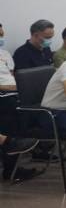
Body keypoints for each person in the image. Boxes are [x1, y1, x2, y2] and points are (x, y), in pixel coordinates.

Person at [0, 22, 40, 182]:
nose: (1, 38)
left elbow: (11, 75)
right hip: (5, 94)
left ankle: (14, 153)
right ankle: (11, 164)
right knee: (11, 109)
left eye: (2, 35)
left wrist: (19, 87)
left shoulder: (5, 54)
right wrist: (9, 88)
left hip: (13, 92)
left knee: (18, 108)